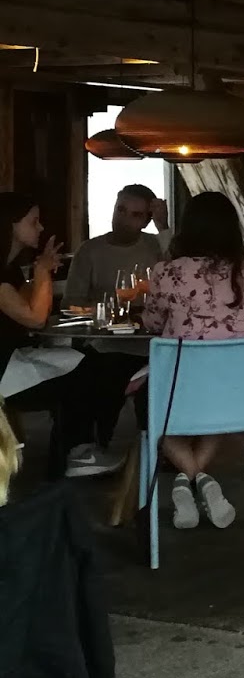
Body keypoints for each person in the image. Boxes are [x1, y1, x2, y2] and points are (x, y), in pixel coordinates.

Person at [140, 192, 244, 532]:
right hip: (242, 394)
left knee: (146, 403)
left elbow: (152, 323)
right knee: (218, 401)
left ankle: (192, 477)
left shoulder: (168, 272)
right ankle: (199, 480)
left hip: (181, 391)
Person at [62, 183, 172, 466]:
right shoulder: (90, 250)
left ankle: (165, 452)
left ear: (146, 220)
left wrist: (163, 227)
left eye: (135, 215)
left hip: (154, 345)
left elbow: (180, 274)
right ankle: (90, 448)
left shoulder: (155, 246)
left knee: (164, 383)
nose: (123, 219)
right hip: (108, 343)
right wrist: (107, 311)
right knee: (95, 375)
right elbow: (71, 302)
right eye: (121, 210)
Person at [0, 193, 109, 477]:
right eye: (33, 221)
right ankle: (72, 455)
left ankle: (74, 453)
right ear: (10, 225)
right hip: (3, 371)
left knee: (87, 361)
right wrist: (42, 271)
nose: (40, 227)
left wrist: (41, 274)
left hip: (13, 358)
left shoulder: (10, 270)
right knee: (81, 376)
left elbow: (33, 307)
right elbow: (36, 318)